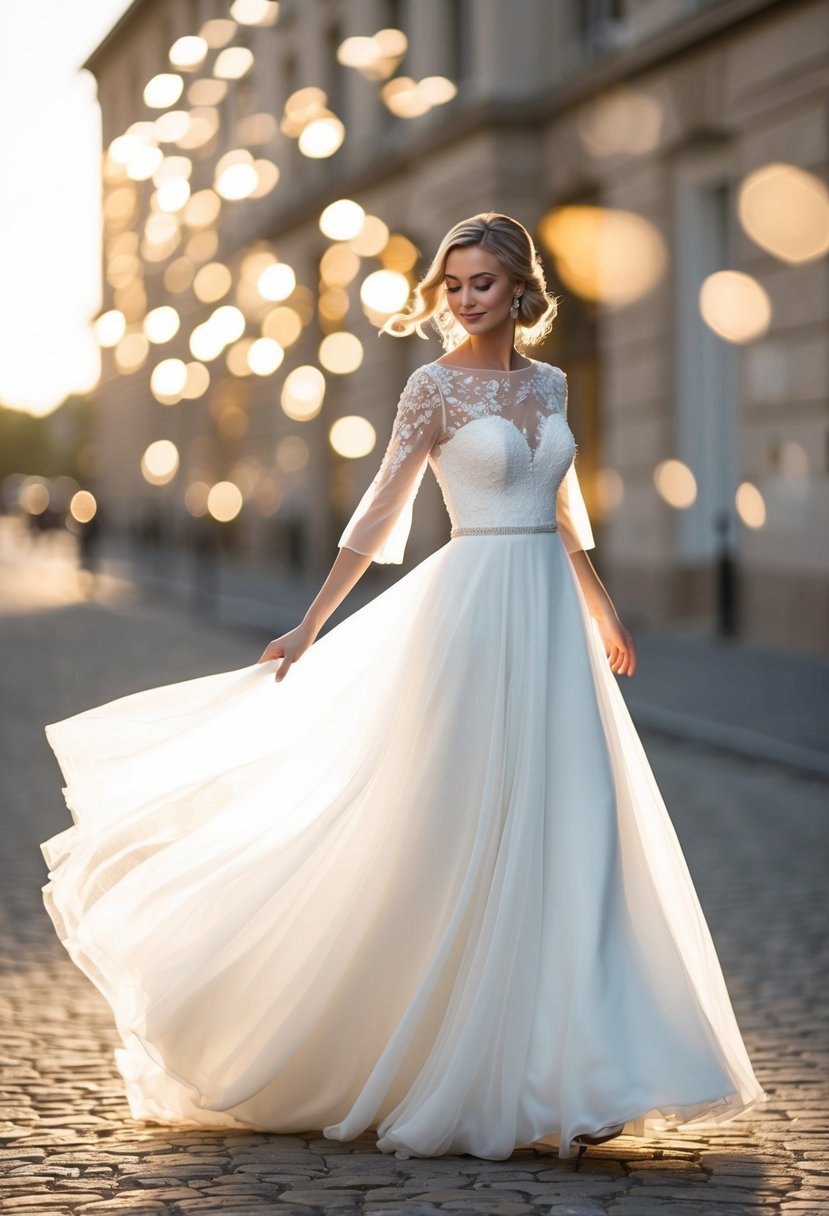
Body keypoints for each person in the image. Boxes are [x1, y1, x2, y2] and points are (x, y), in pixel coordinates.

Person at [40, 212, 767, 1162]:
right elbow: (382, 505)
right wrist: (310, 620)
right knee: (458, 826)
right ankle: (455, 1049)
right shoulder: (431, 388)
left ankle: (588, 1070)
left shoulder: (547, 384)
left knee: (581, 821)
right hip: (469, 616)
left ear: (520, 289)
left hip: (551, 622)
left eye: (483, 283)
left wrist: (602, 607)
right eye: (453, 283)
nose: (465, 298)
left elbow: (558, 506)